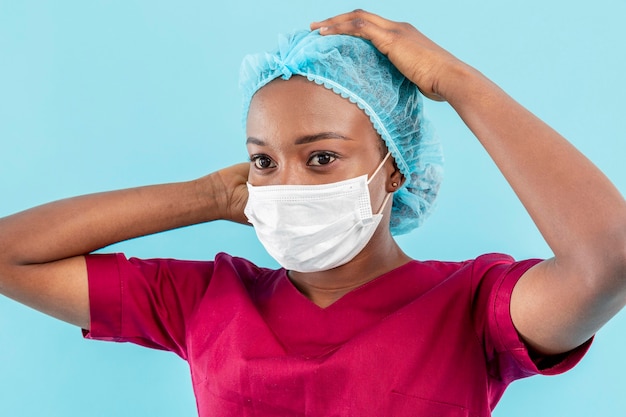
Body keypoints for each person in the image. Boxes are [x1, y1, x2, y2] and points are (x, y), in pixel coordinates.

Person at [0, 9, 624, 417]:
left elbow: (608, 260)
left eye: (321, 158)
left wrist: (457, 81)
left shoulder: (471, 307)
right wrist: (211, 196)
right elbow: (9, 254)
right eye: (264, 161)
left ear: (396, 168)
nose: (286, 183)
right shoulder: (205, 300)